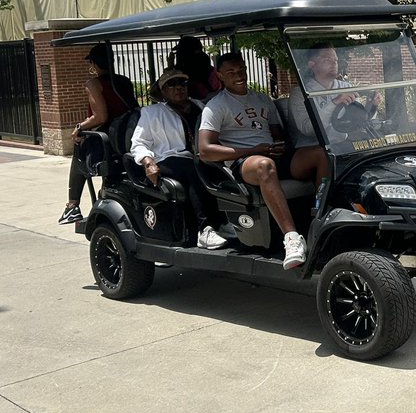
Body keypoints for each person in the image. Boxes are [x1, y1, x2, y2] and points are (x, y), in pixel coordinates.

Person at [198, 52, 306, 269]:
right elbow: (205, 150)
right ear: (219, 75)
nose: (238, 75)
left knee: (319, 155)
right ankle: (292, 238)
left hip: (271, 155)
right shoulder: (216, 106)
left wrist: (279, 145)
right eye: (231, 72)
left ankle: (323, 217)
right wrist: (252, 150)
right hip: (244, 162)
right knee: (264, 166)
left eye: (241, 70)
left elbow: (276, 133)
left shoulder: (262, 99)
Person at [130, 68, 234, 249]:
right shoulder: (152, 113)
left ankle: (225, 221)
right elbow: (138, 143)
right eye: (171, 84)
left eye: (182, 83)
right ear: (163, 91)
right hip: (169, 158)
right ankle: (205, 228)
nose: (178, 88)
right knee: (192, 168)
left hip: (199, 158)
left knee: (221, 169)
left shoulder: (201, 107)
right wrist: (148, 162)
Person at [59, 42, 138, 225]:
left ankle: (72, 206)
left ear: (94, 64)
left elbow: (100, 116)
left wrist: (79, 127)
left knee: (79, 149)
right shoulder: (123, 80)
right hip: (126, 133)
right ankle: (105, 193)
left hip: (109, 136)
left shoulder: (94, 84)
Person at [287, 42, 381, 188]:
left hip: (341, 146)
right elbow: (308, 129)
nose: (334, 64)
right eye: (327, 60)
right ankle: (323, 206)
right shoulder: (301, 93)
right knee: (324, 154)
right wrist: (335, 103)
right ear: (312, 64)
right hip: (309, 150)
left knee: (372, 145)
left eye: (335, 60)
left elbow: (358, 121)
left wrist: (372, 106)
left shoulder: (345, 87)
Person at [170, 35, 222, 101]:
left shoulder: (188, 65)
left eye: (179, 51)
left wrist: (170, 66)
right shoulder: (204, 59)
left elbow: (161, 91)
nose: (177, 54)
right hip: (214, 96)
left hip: (200, 99)